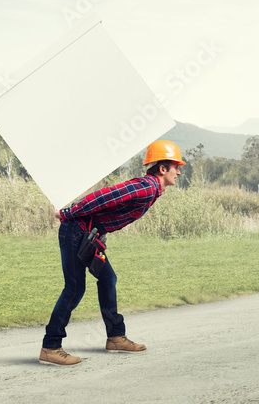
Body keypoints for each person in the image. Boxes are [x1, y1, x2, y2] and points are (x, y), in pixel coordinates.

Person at [38, 139, 185, 366]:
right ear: (163, 168)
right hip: (76, 230)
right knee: (75, 288)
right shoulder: (147, 187)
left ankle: (116, 337)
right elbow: (104, 197)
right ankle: (51, 346)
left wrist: (100, 234)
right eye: (176, 167)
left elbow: (110, 210)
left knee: (108, 278)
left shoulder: (153, 189)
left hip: (88, 234)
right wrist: (67, 213)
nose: (179, 172)